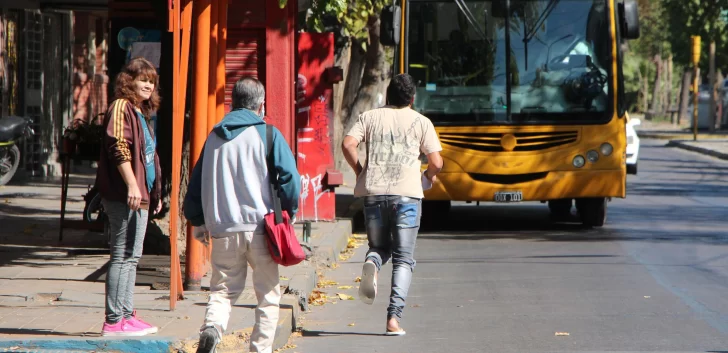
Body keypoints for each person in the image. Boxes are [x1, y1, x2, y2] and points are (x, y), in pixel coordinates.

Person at [183, 76, 301, 353]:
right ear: (261, 105)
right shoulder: (269, 134)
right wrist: (289, 210)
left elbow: (195, 186)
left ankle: (212, 328)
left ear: (232, 103)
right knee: (268, 295)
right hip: (262, 228)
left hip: (222, 227)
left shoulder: (213, 138)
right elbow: (290, 179)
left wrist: (197, 220)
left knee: (222, 290)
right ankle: (259, 350)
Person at [342, 73, 443, 335]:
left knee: (378, 247)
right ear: (412, 98)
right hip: (407, 196)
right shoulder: (422, 122)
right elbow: (437, 162)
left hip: (374, 194)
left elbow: (348, 143)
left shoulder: (370, 117)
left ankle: (372, 264)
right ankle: (393, 320)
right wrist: (427, 178)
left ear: (388, 95)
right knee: (403, 259)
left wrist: (360, 171)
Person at [96, 57, 163, 336]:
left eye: (151, 81)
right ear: (129, 80)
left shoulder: (138, 111)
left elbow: (147, 157)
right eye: (143, 79)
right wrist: (133, 186)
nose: (148, 84)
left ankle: (125, 314)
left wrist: (153, 191)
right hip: (125, 195)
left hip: (140, 195)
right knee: (121, 255)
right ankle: (113, 321)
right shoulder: (122, 106)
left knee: (132, 257)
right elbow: (118, 148)